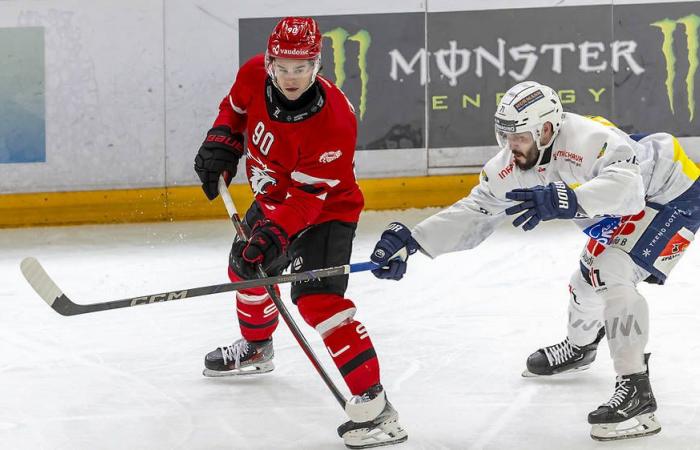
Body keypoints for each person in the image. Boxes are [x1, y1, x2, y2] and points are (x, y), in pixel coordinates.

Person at [370, 80, 700, 441]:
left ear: (546, 129)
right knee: (587, 279)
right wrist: (415, 240)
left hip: (673, 193)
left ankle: (637, 389)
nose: (511, 147)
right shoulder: (511, 162)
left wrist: (570, 201)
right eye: (505, 136)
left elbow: (628, 189)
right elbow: (477, 210)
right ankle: (581, 346)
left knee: (612, 269)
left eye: (519, 137)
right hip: (622, 205)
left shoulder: (586, 139)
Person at [193, 17, 407, 449]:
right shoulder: (253, 73)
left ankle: (376, 406)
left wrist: (274, 235)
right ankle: (257, 349)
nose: (291, 77)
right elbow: (233, 110)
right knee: (245, 270)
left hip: (326, 212)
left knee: (319, 303)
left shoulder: (334, 123)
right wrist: (221, 141)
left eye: (302, 67)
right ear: (270, 62)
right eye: (283, 67)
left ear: (317, 66)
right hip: (274, 200)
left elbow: (308, 202)